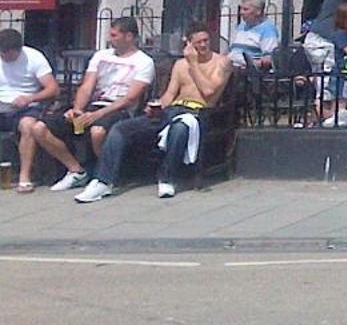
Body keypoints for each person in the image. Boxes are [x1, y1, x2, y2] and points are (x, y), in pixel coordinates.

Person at [75, 26, 234, 202]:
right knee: (121, 128)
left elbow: (209, 91)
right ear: (189, 44)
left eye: (206, 41)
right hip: (173, 109)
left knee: (179, 129)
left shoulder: (222, 63)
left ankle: (167, 178)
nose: (204, 45)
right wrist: (157, 106)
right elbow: (170, 94)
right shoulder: (180, 65)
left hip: (199, 113)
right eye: (198, 42)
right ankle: (103, 181)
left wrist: (194, 63)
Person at [46, 17, 155, 190]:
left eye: (114, 35)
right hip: (93, 106)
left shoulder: (144, 62)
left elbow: (130, 99)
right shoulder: (101, 55)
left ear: (129, 36)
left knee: (97, 131)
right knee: (40, 127)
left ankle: (103, 175)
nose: (109, 38)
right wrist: (77, 109)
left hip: (119, 109)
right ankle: (76, 170)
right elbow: (87, 86)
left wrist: (97, 115)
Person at [1, 28, 60, 192]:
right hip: (2, 103)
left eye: (8, 53)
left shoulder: (34, 58)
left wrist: (29, 98)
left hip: (26, 104)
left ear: (18, 50)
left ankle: (24, 176)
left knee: (27, 126)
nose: (4, 56)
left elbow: (52, 88)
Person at [227, 0, 280, 72]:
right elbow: (232, 50)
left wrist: (254, 64)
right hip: (230, 68)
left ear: (258, 11)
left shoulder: (267, 30)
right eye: (241, 9)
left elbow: (270, 58)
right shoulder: (241, 27)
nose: (241, 12)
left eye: (245, 9)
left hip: (248, 74)